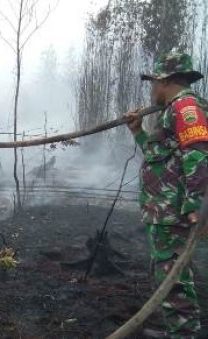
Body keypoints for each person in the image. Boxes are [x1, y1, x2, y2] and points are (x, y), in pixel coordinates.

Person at [124, 50, 208, 338]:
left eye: (153, 83)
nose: (152, 90)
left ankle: (184, 334)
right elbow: (159, 157)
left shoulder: (186, 108)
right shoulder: (171, 111)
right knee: (170, 276)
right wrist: (138, 131)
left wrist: (194, 205)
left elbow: (197, 154)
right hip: (164, 212)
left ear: (165, 81)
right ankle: (177, 328)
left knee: (175, 280)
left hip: (174, 212)